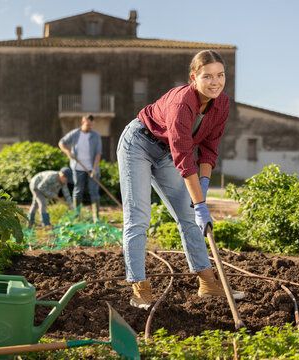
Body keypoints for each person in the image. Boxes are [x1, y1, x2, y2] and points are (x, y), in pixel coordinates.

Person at [117, 50, 245, 310]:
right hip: (138, 144)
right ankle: (140, 287)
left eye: (220, 75)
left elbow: (209, 147)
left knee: (188, 215)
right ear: (193, 78)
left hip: (165, 153)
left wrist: (203, 189)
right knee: (138, 218)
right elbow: (185, 158)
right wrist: (200, 204)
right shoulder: (181, 103)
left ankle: (208, 283)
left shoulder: (221, 103)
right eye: (207, 76)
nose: (215, 82)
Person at [58, 114, 103, 222]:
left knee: (94, 191)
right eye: (88, 125)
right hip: (78, 168)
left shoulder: (95, 136)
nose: (90, 127)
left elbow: (98, 154)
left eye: (91, 125)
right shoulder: (75, 134)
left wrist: (95, 169)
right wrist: (68, 152)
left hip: (92, 168)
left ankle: (95, 217)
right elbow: (61, 143)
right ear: (83, 123)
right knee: (78, 191)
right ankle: (76, 216)